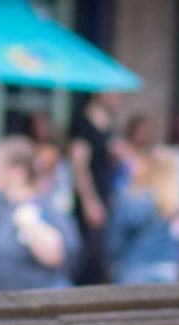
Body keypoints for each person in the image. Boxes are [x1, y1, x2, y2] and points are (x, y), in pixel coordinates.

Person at [0, 135, 80, 291]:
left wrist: (30, 224)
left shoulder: (45, 209)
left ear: (18, 172)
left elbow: (57, 256)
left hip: (24, 309)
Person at [105, 146, 179, 284]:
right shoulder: (176, 203)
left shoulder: (132, 199)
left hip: (135, 269)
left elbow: (114, 241)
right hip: (168, 270)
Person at [69, 92, 119, 285]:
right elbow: (79, 165)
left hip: (104, 195)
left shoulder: (107, 122)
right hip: (90, 199)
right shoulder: (83, 124)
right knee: (89, 256)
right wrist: (90, 201)